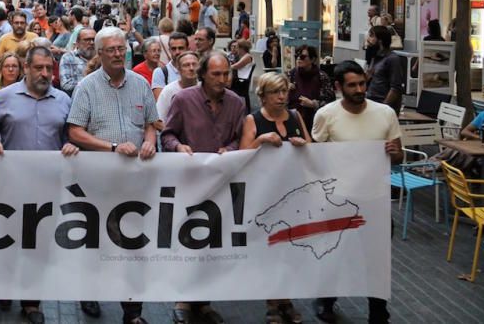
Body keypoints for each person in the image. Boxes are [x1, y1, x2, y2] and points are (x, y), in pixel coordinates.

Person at [0, 47, 78, 323]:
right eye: (39, 68)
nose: (45, 73)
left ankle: (31, 301)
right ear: (26, 67)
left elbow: (69, 135)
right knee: (7, 239)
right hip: (8, 185)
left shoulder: (62, 100)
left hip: (47, 187)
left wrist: (71, 144)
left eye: (49, 68)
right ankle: (4, 286)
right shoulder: (5, 97)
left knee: (39, 244)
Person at [66, 27, 157, 324]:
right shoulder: (87, 87)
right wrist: (113, 147)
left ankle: (133, 311)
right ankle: (89, 292)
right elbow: (75, 132)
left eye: (122, 49)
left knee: (133, 243)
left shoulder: (141, 83)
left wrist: (150, 141)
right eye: (112, 50)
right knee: (97, 241)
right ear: (100, 54)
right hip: (99, 181)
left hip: (134, 181)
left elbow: (151, 123)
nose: (119, 54)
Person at [311, 60, 402, 324]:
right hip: (338, 200)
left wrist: (396, 154)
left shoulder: (385, 113)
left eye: (362, 83)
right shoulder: (326, 115)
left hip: (376, 200)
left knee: (377, 260)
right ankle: (326, 301)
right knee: (333, 256)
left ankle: (378, 313)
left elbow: (398, 154)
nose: (360, 89)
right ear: (339, 87)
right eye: (352, 85)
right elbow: (315, 158)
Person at [161, 52, 246, 324]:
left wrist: (230, 149)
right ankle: (183, 299)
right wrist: (178, 146)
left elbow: (240, 138)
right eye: (216, 74)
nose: (223, 79)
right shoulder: (183, 100)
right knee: (188, 240)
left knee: (213, 243)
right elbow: (168, 134)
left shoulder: (236, 103)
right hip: (189, 181)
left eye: (226, 74)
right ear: (203, 75)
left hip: (222, 183)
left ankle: (204, 300)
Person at [239, 72, 309, 324]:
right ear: (263, 96)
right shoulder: (253, 120)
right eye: (275, 92)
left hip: (293, 192)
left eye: (284, 92)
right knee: (270, 250)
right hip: (265, 195)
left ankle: (286, 300)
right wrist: (260, 139)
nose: (281, 97)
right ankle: (272, 303)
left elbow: (312, 151)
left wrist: (303, 144)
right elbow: (242, 156)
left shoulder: (295, 116)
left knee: (290, 250)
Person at [287, 44, 335, 131]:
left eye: (302, 56)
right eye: (296, 56)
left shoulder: (321, 76)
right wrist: (286, 89)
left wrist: (313, 104)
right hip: (293, 118)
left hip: (314, 120)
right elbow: (282, 99)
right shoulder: (292, 74)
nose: (298, 59)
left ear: (312, 59)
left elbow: (331, 102)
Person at [366, 25, 405, 114]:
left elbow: (395, 88)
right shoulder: (375, 57)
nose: (369, 39)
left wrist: (384, 107)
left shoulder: (392, 59)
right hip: (371, 104)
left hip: (383, 107)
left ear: (380, 41)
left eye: (371, 36)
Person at [156, 51, 200, 124]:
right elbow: (158, 120)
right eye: (186, 65)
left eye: (194, 64)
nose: (191, 68)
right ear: (178, 69)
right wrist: (170, 133)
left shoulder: (205, 88)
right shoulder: (169, 90)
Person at [151, 31, 190, 98]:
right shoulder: (160, 73)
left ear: (188, 49)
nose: (177, 52)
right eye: (174, 49)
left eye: (181, 48)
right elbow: (161, 102)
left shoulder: (196, 71)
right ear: (169, 50)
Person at [59, 27, 95, 95]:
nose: (92, 42)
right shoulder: (68, 58)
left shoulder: (101, 58)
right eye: (87, 40)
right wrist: (93, 82)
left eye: (94, 39)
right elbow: (66, 85)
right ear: (77, 43)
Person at [229, 39, 255, 108]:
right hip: (238, 79)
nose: (235, 49)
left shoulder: (247, 57)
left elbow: (235, 66)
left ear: (241, 48)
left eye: (236, 47)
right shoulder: (240, 56)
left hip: (241, 81)